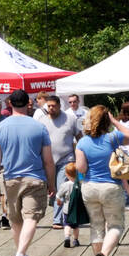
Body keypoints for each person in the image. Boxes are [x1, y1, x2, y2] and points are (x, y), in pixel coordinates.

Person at [0, 89, 55, 256]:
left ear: (9, 104)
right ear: (28, 103)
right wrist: (52, 183)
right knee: (31, 218)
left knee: (16, 220)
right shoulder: (39, 127)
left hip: (9, 179)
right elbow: (49, 160)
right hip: (35, 178)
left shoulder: (0, 128)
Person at [75, 105, 129, 256]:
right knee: (116, 225)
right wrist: (116, 121)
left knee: (96, 226)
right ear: (106, 121)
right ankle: (105, 255)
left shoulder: (82, 142)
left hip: (90, 188)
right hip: (111, 187)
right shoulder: (112, 138)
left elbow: (81, 167)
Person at [35, 95, 80, 229]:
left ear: (60, 106)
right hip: (47, 161)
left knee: (61, 188)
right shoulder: (41, 121)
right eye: (48, 106)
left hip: (66, 159)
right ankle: (39, 215)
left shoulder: (70, 119)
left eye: (53, 106)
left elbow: (79, 138)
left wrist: (80, 156)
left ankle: (57, 219)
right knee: (49, 190)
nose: (51, 108)